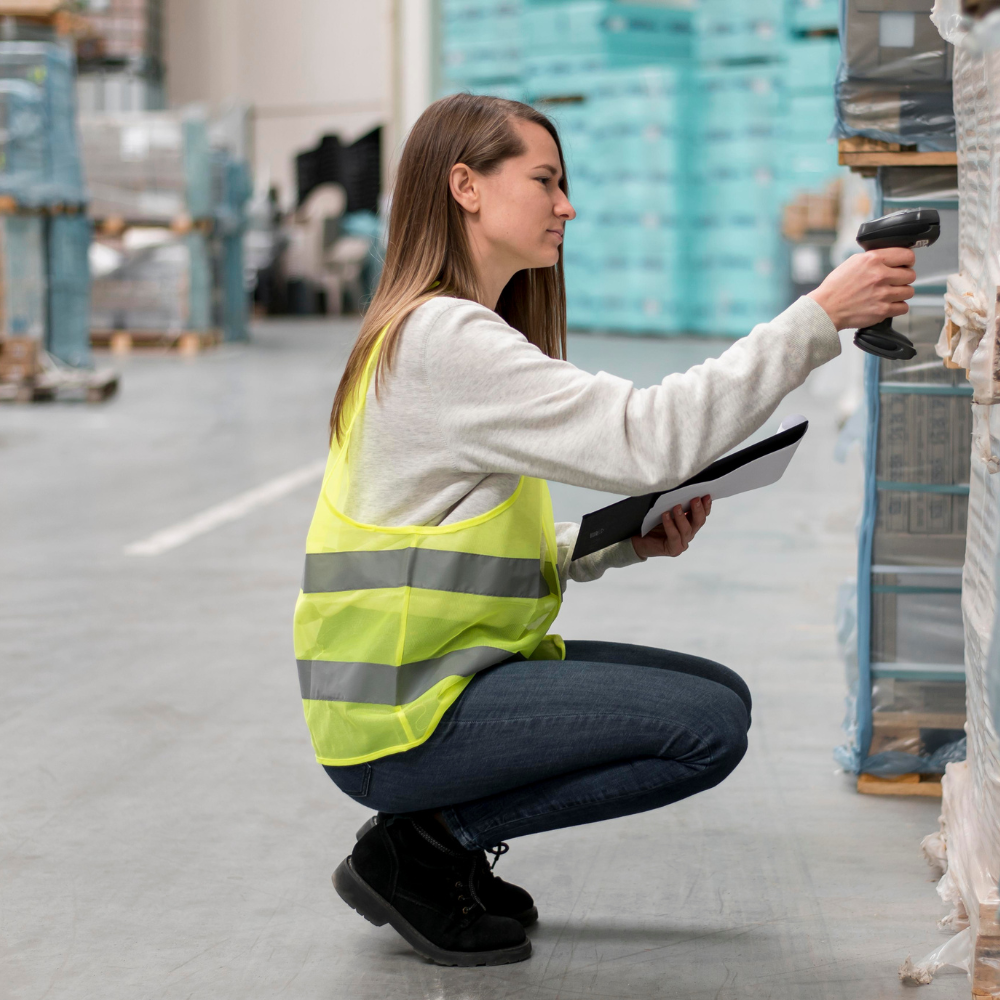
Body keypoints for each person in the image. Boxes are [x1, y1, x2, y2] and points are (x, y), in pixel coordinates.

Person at [292, 93, 916, 968]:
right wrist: (819, 317)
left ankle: (438, 839)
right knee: (703, 728)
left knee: (721, 698)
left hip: (420, 689)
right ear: (465, 186)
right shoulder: (443, 338)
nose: (567, 206)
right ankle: (426, 844)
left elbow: (446, 551)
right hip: (403, 719)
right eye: (545, 181)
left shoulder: (433, 329)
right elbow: (648, 439)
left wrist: (617, 541)